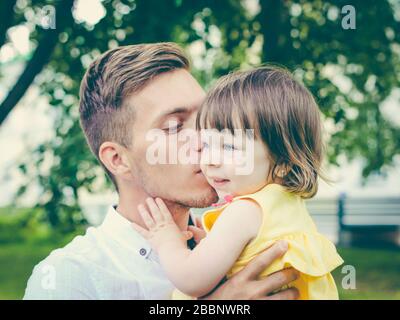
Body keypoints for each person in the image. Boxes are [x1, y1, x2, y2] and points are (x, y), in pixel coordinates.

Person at [24, 43, 299, 299]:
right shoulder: (69, 278)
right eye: (173, 127)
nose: (207, 138)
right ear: (118, 159)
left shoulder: (242, 241)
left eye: (207, 119)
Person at [132, 66, 344, 300]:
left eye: (229, 147)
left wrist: (166, 240)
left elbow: (191, 280)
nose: (209, 160)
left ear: (283, 161)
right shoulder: (285, 202)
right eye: (209, 144)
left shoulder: (245, 211)